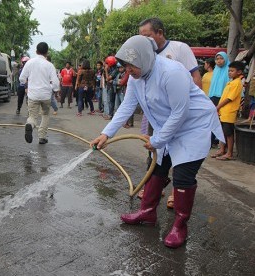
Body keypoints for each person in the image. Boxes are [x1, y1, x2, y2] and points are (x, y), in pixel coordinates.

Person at [90, 35, 224, 249]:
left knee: (182, 176)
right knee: (156, 169)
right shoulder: (136, 78)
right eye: (126, 67)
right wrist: (106, 134)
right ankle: (147, 212)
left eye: (131, 66)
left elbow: (181, 112)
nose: (128, 71)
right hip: (168, 127)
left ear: (144, 58)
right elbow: (127, 106)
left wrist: (158, 140)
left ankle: (180, 225)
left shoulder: (172, 72)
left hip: (193, 128)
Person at [138, 17, 203, 207]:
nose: (144, 40)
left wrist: (191, 111)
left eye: (148, 35)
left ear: (160, 32)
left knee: (180, 155)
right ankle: (151, 186)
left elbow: (195, 77)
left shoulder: (179, 48)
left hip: (180, 114)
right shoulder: (145, 55)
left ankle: (177, 191)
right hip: (157, 116)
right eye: (141, 36)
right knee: (154, 151)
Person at [20, 42, 59, 144]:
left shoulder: (29, 63)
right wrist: (52, 88)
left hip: (33, 95)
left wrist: (27, 84)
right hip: (46, 95)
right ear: (47, 53)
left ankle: (30, 125)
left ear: (36, 51)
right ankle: (42, 137)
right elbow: (56, 83)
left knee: (32, 116)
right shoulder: (50, 65)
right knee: (45, 115)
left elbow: (22, 78)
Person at [212, 61, 245, 161]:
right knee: (222, 131)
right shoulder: (230, 82)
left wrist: (218, 107)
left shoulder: (237, 83)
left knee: (229, 133)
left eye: (232, 71)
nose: (229, 72)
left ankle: (229, 153)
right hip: (223, 111)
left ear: (239, 72)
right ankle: (222, 150)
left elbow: (229, 98)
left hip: (229, 112)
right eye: (229, 71)